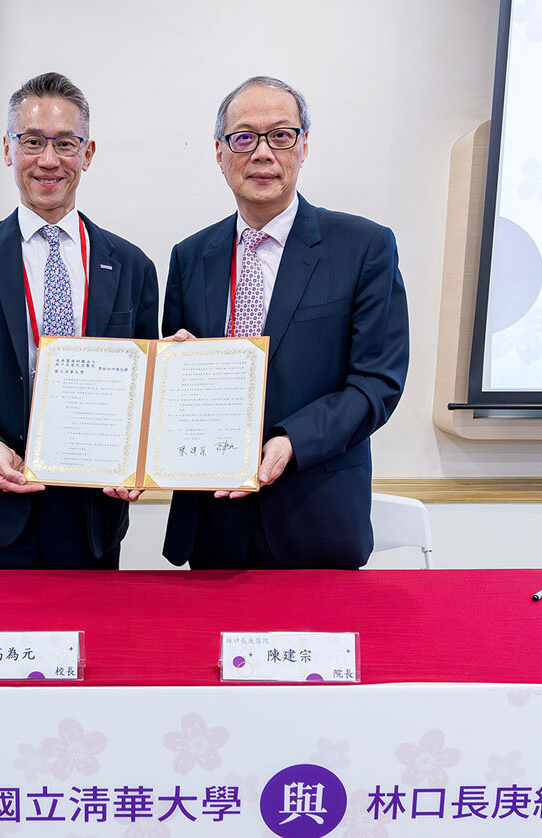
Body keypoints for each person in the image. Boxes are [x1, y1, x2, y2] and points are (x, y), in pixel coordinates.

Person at [0, 72, 159, 569]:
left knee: (94, 646)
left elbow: (144, 387)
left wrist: (139, 462)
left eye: (65, 143)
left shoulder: (131, 265)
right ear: (7, 148)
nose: (49, 160)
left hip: (92, 517)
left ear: (87, 154)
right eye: (32, 141)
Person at [161, 76, 409, 569]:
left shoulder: (362, 247)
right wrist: (170, 373)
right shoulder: (190, 256)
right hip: (213, 522)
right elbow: (174, 384)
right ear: (219, 152)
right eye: (244, 137)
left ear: (303, 145)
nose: (262, 153)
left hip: (315, 513)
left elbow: (377, 383)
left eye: (281, 135)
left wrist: (292, 441)